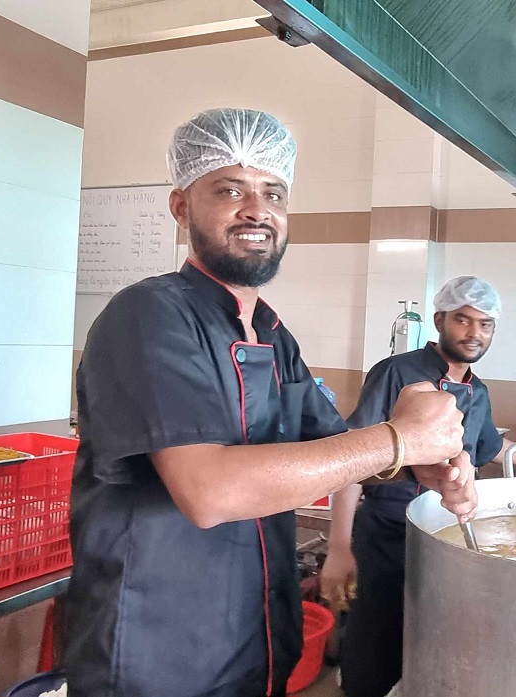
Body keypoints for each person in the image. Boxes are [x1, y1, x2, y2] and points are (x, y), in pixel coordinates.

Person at [64, 108, 478, 697]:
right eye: (230, 190)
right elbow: (210, 492)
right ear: (181, 206)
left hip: (254, 635)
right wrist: (398, 437)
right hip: (158, 653)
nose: (257, 209)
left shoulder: (273, 335)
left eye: (273, 193)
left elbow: (332, 447)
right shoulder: (149, 316)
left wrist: (420, 467)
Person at [322, 277, 516, 697]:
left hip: (444, 535)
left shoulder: (477, 391)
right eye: (463, 320)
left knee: (429, 632)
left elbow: (492, 447)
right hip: (387, 530)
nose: (474, 333)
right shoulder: (397, 372)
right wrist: (338, 545)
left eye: (486, 324)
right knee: (377, 635)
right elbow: (354, 457)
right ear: (440, 320)